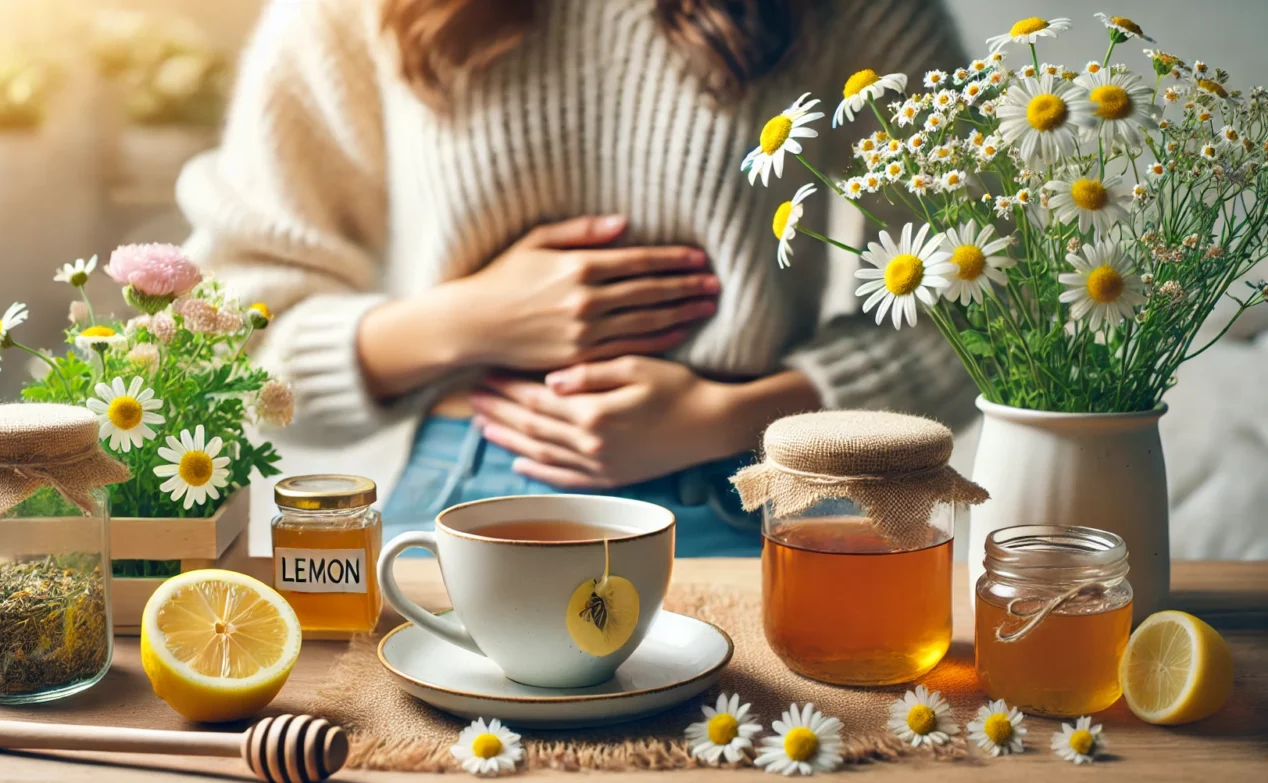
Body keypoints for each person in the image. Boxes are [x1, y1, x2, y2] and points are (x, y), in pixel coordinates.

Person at [178, 0, 975, 556]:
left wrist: (734, 417)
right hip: (467, 491)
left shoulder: (851, 11)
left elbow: (979, 304)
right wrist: (464, 321)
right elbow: (226, 339)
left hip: (759, 492)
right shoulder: (349, 11)